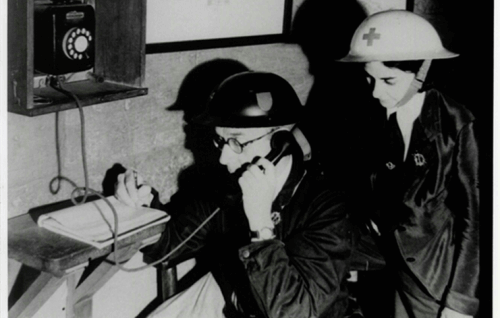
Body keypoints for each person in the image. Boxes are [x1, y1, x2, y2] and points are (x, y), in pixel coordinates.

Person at [115, 71, 357, 318]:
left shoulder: (326, 205)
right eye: (220, 141)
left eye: (237, 143)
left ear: (281, 143)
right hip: (239, 303)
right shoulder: (226, 187)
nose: (223, 158)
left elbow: (295, 312)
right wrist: (143, 209)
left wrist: (261, 228)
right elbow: (169, 244)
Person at [338, 10, 479, 318]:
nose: (376, 92)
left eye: (388, 80)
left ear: (423, 72)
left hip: (439, 282)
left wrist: (460, 303)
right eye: (369, 78)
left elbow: (476, 221)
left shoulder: (459, 126)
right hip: (396, 266)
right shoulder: (378, 114)